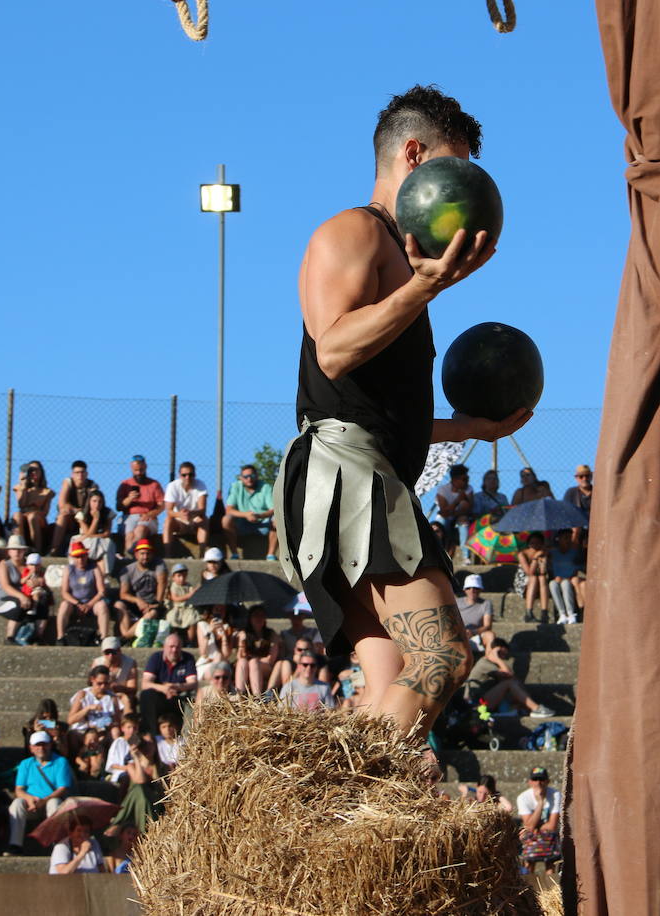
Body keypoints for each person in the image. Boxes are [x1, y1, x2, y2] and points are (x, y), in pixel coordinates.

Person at [275, 86, 527, 740]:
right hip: (345, 478)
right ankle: (344, 791)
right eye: (454, 171)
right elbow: (331, 351)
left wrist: (471, 429)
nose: (464, 192)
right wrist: (423, 287)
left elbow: (375, 409)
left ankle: (340, 825)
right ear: (413, 157)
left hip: (360, 471)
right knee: (443, 655)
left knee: (391, 693)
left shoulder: (402, 259)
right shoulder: (354, 231)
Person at [5, 731, 72, 855]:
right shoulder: (26, 764)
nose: (41, 748)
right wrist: (29, 799)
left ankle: (56, 843)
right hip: (31, 804)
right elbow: (19, 789)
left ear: (50, 745)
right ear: (31, 748)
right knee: (17, 803)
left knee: (54, 803)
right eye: (37, 745)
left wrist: (44, 800)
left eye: (44, 744)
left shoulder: (60, 762)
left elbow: (62, 788)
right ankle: (15, 844)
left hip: (51, 801)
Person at [463, 638, 555, 718]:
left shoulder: (494, 665)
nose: (504, 657)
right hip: (475, 703)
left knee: (514, 683)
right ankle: (536, 709)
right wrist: (496, 658)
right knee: (509, 683)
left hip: (484, 699)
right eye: (502, 653)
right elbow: (509, 674)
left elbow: (512, 678)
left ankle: (528, 708)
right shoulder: (484, 663)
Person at [0, 535, 46, 645]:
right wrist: (21, 596)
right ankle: (10, 637)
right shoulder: (4, 565)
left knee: (43, 602)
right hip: (3, 600)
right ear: (9, 551)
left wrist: (39, 581)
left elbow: (42, 575)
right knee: (18, 605)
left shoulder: (30, 564)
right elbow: (6, 586)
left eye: (19, 549)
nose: (16, 552)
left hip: (27, 599)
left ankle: (38, 636)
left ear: (24, 551)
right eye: (13, 549)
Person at [139, 633, 197, 735]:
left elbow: (193, 683)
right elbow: (145, 683)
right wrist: (164, 688)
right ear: (164, 647)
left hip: (179, 697)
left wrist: (176, 687)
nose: (174, 650)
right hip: (160, 696)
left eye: (177, 647)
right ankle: (151, 734)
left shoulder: (188, 658)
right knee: (146, 695)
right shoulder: (156, 658)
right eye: (171, 647)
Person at [56, 542, 111, 644]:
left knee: (102, 606)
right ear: (73, 558)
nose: (80, 560)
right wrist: (78, 603)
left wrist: (89, 604)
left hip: (92, 603)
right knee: (64, 605)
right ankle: (60, 637)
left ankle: (104, 638)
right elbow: (64, 592)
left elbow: (101, 591)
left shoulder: (94, 568)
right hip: (74, 603)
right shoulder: (69, 569)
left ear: (86, 556)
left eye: (82, 556)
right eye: (77, 557)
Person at [222, 464, 278, 560]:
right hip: (242, 523)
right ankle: (234, 554)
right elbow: (229, 509)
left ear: (256, 476)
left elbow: (273, 509)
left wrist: (259, 515)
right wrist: (246, 515)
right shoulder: (235, 486)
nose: (249, 479)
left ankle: (271, 555)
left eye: (251, 476)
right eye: (245, 477)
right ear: (241, 478)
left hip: (263, 523)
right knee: (226, 520)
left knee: (278, 520)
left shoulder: (266, 487)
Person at [115, 539, 166, 641]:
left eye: (148, 553)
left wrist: (156, 603)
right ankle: (126, 636)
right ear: (136, 555)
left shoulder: (159, 564)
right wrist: (138, 601)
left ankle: (124, 638)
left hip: (152, 603)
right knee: (118, 605)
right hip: (135, 603)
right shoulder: (128, 570)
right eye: (142, 554)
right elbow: (123, 594)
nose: (145, 557)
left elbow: (162, 583)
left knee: (153, 613)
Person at [516, 766, 563, 874]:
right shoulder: (523, 798)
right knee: (528, 861)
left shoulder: (556, 795)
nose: (538, 783)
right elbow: (529, 827)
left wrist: (535, 826)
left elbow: (552, 826)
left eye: (541, 779)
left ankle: (550, 887)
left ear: (547, 781)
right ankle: (529, 885)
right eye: (535, 779)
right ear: (530, 782)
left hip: (549, 837)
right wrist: (540, 803)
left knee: (551, 861)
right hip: (531, 836)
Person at [51, 461, 99, 556]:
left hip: (85, 519)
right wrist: (77, 511)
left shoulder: (92, 485)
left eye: (82, 472)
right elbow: (62, 504)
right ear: (72, 474)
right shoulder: (68, 482)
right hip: (71, 518)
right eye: (77, 473)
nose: (80, 475)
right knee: (62, 515)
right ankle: (54, 549)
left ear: (86, 473)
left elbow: (95, 504)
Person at [116, 455, 165, 548]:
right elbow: (118, 507)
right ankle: (131, 555)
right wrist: (129, 499)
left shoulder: (154, 484)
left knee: (140, 530)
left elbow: (162, 505)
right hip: (129, 516)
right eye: (136, 470)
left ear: (145, 467)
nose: (138, 473)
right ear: (131, 468)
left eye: (141, 470)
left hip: (148, 517)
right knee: (130, 534)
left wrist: (151, 514)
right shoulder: (125, 484)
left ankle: (133, 553)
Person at [163, 461, 210, 554]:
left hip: (195, 519)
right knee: (168, 520)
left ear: (195, 475)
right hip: (179, 521)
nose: (187, 477)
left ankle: (202, 554)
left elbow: (202, 509)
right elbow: (168, 511)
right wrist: (180, 514)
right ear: (179, 476)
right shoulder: (172, 486)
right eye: (184, 475)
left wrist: (191, 513)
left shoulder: (201, 485)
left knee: (204, 519)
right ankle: (167, 554)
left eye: (190, 474)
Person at [69, 666, 125, 740]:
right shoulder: (83, 695)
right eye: (99, 683)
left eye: (106, 683)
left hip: (103, 731)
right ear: (92, 679)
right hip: (84, 730)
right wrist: (87, 709)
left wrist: (108, 724)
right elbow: (71, 720)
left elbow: (117, 720)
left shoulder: (112, 697)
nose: (102, 687)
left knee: (115, 731)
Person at [233, 606, 279, 696]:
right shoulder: (244, 633)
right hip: (248, 665)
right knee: (242, 662)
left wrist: (254, 660)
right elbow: (240, 657)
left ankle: (257, 696)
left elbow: (270, 659)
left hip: (266, 666)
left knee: (253, 662)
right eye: (256, 615)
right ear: (250, 618)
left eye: (262, 615)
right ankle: (239, 694)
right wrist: (242, 642)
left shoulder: (270, 634)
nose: (259, 618)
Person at [12, 460, 54, 552]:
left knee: (32, 517)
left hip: (38, 517)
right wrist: (23, 485)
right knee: (17, 515)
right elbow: (21, 504)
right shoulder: (19, 488)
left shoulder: (47, 492)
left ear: (41, 472)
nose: (33, 472)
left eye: (36, 470)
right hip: (23, 515)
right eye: (31, 470)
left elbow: (45, 512)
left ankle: (37, 549)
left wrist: (32, 513)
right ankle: (20, 547)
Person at [435, 464, 475, 559]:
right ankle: (438, 554)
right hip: (445, 518)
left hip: (457, 517)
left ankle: (466, 557)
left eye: (467, 479)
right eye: (464, 479)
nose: (467, 482)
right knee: (439, 524)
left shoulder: (469, 489)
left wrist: (453, 511)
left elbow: (468, 509)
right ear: (455, 479)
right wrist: (457, 501)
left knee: (463, 522)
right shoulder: (443, 490)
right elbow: (443, 513)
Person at [546, 530, 585, 625]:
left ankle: (571, 613)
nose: (568, 540)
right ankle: (562, 613)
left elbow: (578, 569)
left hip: (569, 579)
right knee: (552, 584)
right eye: (565, 538)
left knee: (565, 584)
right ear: (559, 539)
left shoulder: (575, 553)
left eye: (569, 538)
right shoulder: (552, 553)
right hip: (557, 579)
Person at [76, 488, 116, 574]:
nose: (97, 504)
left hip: (101, 540)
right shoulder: (81, 514)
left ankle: (105, 572)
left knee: (107, 543)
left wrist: (94, 535)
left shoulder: (108, 513)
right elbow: (88, 533)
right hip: (85, 541)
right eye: (94, 501)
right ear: (89, 501)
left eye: (100, 502)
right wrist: (95, 519)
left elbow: (107, 533)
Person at [91, 637, 139, 710]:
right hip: (101, 694)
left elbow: (132, 688)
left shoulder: (129, 663)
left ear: (119, 651)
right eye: (107, 653)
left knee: (128, 698)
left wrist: (119, 688)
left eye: (113, 652)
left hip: (122, 695)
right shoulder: (97, 663)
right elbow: (92, 684)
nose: (111, 656)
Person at [517, 533, 550, 624]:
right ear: (528, 544)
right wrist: (535, 558)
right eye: (533, 543)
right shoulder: (522, 554)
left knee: (542, 578)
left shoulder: (544, 553)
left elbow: (543, 572)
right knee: (534, 578)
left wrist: (543, 560)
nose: (535, 546)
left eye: (538, 543)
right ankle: (529, 612)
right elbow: (529, 573)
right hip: (524, 582)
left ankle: (544, 613)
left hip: (541, 583)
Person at [456, 574, 494, 652]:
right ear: (464, 590)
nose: (472, 590)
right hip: (459, 635)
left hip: (477, 636)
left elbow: (487, 626)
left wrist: (473, 632)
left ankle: (489, 658)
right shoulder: (457, 602)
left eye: (475, 588)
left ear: (480, 589)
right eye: (468, 588)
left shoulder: (486, 603)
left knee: (490, 635)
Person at [163, 563, 201, 639]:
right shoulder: (174, 586)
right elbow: (175, 598)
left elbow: (192, 592)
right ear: (173, 577)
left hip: (187, 608)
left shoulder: (188, 585)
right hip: (176, 608)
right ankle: (174, 638)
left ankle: (191, 640)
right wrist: (189, 595)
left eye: (184, 576)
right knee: (172, 618)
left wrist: (195, 590)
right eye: (179, 576)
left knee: (192, 619)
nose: (182, 578)